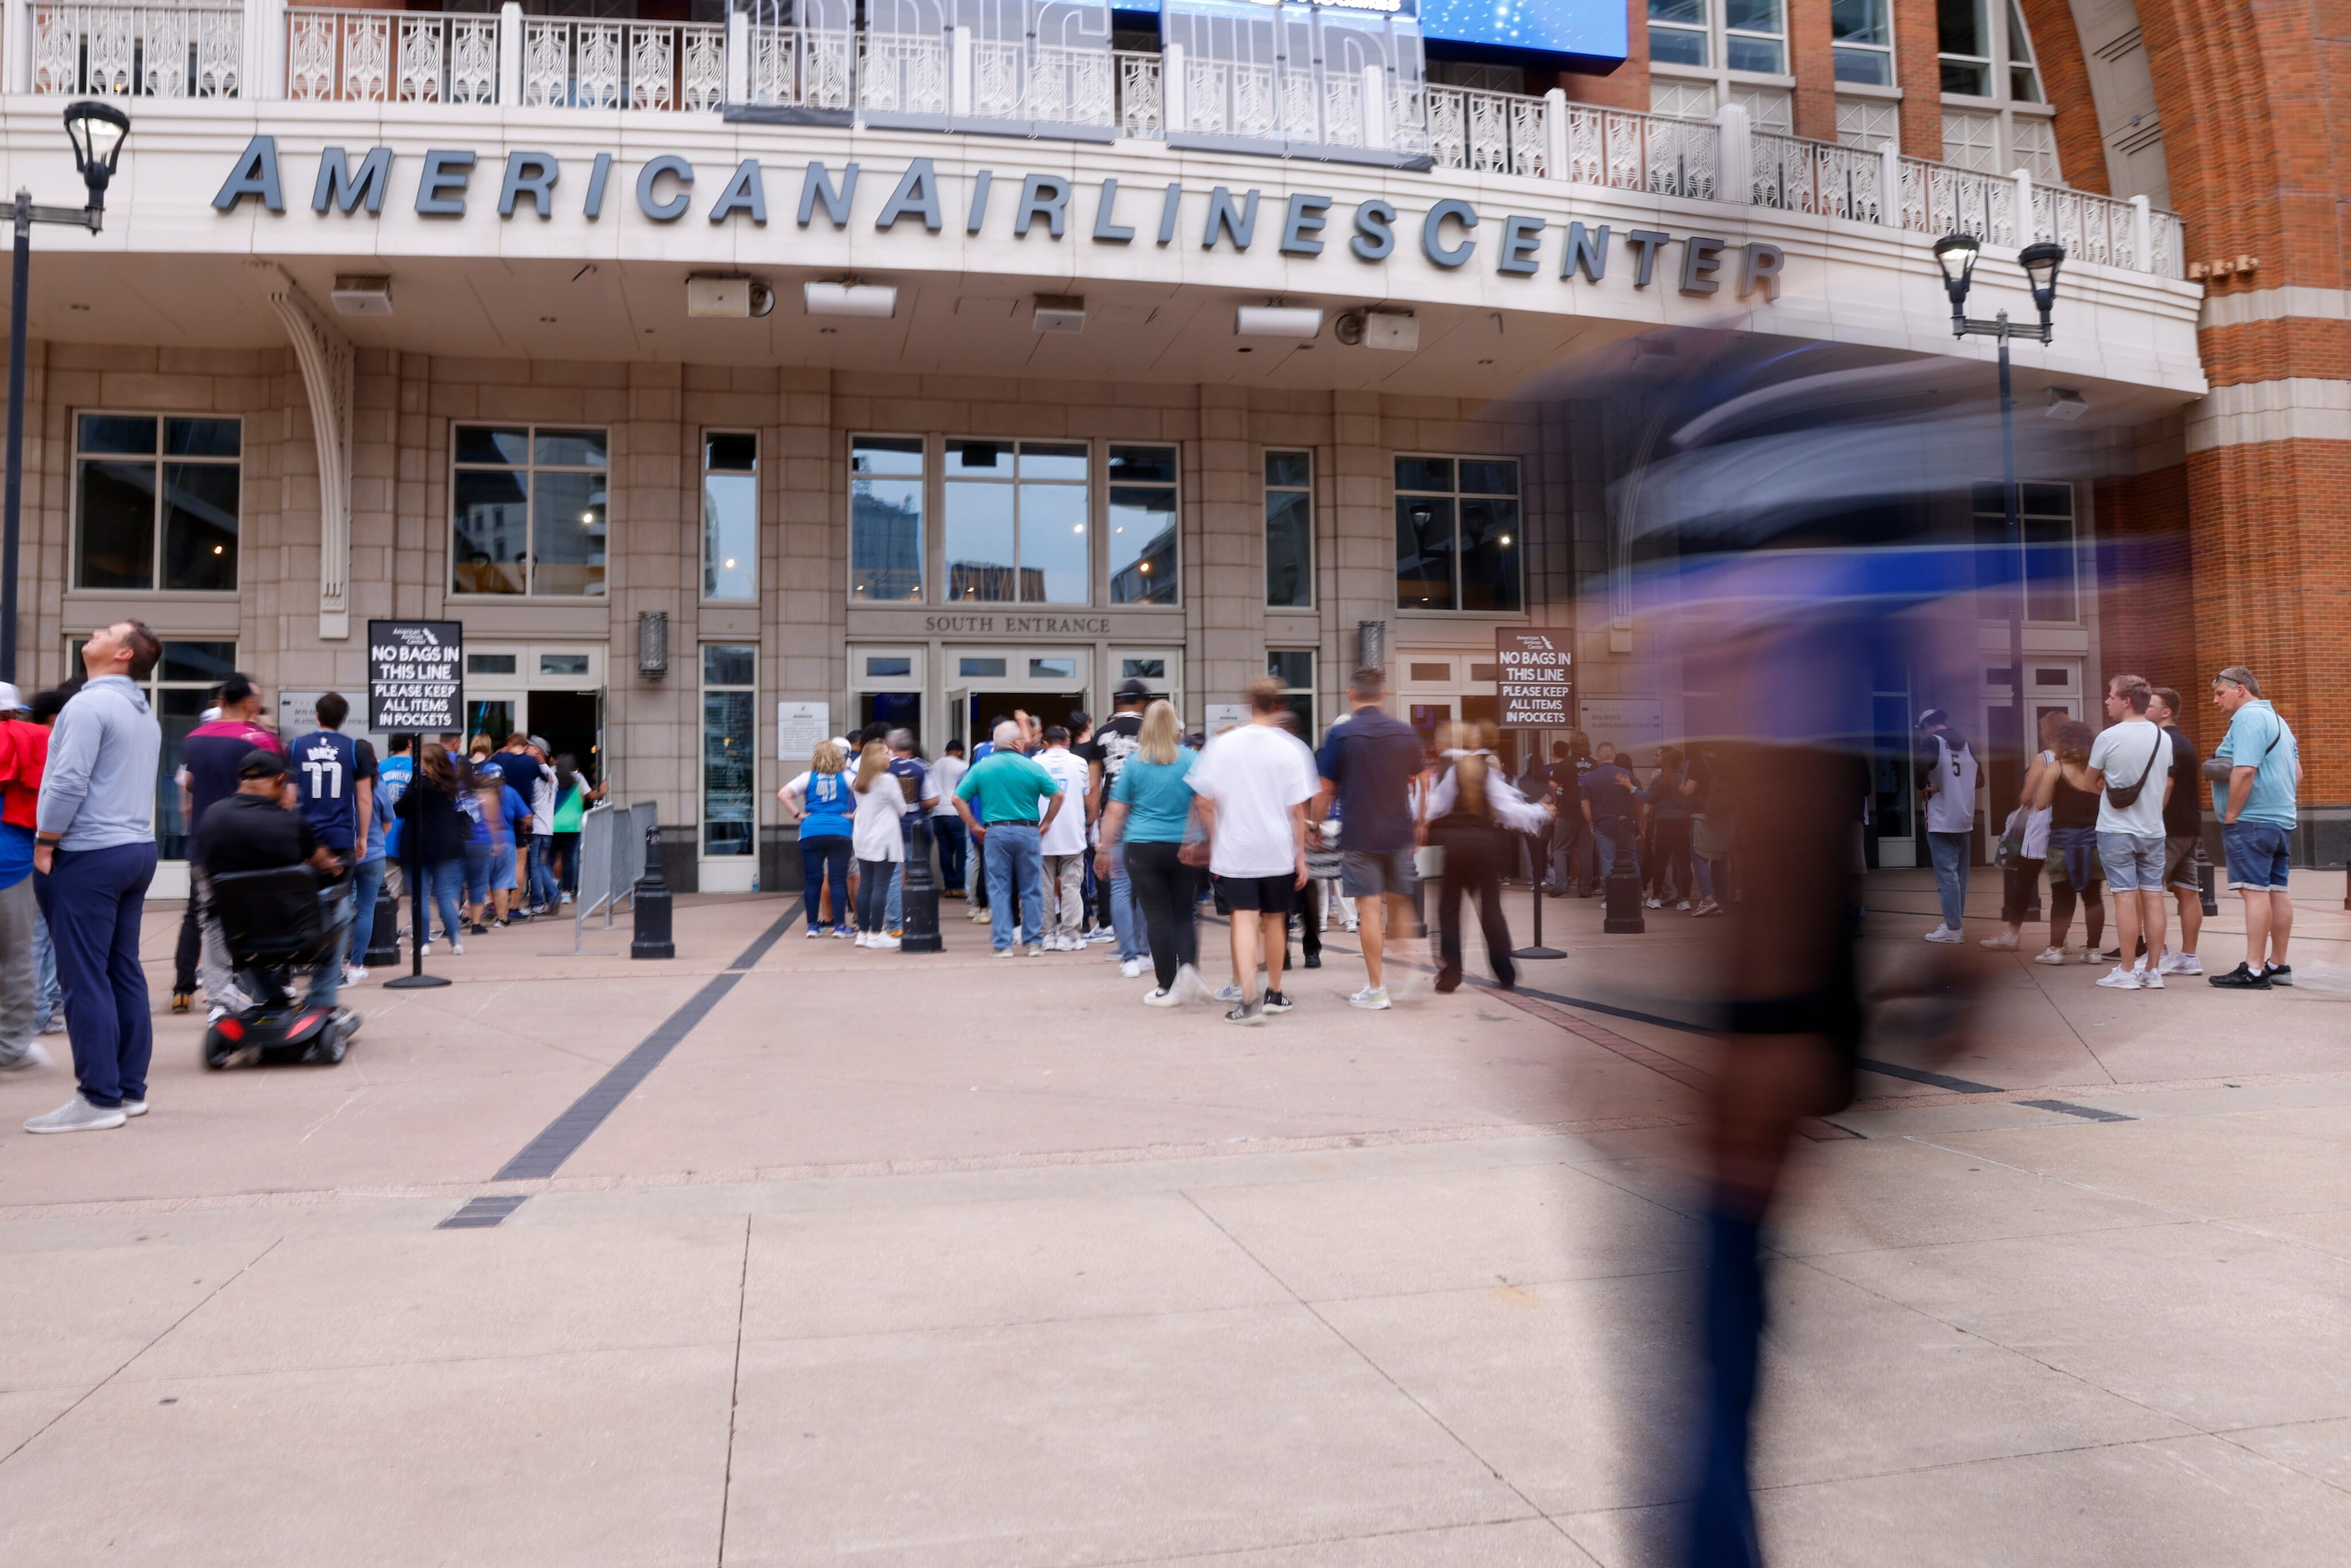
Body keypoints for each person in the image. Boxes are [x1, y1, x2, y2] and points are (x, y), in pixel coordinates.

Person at [24, 620, 164, 1134]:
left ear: (124, 653)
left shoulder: (87, 705)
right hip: (134, 848)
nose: (94, 631)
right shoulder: (141, 712)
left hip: (88, 853)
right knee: (120, 969)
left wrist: (46, 840)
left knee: (83, 978)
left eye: (107, 631)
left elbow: (67, 780)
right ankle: (127, 1091)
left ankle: (98, 1098)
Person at [1190, 676, 1318, 1024]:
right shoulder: (1293, 748)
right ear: (1279, 706)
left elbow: (1203, 799)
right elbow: (1298, 809)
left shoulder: (1222, 746)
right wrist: (1301, 856)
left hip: (1237, 847)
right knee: (1276, 920)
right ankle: (1274, 992)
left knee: (1243, 920)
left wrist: (1215, 842)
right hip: (1277, 847)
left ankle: (1247, 1000)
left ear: (1248, 703)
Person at [193, 747, 351, 1014]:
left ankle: (272, 998)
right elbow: (321, 861)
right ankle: (321, 998)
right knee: (344, 908)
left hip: (241, 935)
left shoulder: (212, 818)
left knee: (240, 919)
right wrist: (333, 865)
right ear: (279, 781)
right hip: (294, 932)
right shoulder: (292, 824)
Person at [1313, 666, 1425, 1010]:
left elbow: (1325, 788)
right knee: (1401, 901)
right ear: (1383, 694)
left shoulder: (1341, 735)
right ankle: (1408, 962)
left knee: (1370, 911)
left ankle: (1377, 987)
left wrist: (1314, 826)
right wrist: (1421, 823)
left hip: (1360, 834)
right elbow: (1423, 779)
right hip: (1398, 831)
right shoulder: (1404, 732)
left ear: (1351, 693)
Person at [174, 671, 281, 1014]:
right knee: (257, 922)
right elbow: (283, 794)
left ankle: (218, 1000)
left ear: (222, 702)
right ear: (250, 704)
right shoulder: (261, 740)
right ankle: (258, 994)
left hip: (206, 845)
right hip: (251, 846)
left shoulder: (194, 738)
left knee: (211, 921)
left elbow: (189, 783)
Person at [1424, 722, 1551, 991]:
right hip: (1484, 847)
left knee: (1449, 910)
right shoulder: (1488, 773)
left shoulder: (1452, 772)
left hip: (1455, 847)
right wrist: (1540, 811)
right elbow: (1509, 811)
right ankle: (1505, 973)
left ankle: (1451, 974)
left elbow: (1434, 808)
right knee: (1491, 910)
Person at [1097, 700, 1206, 1004]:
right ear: (1175, 726)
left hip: (1143, 845)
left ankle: (1166, 985)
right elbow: (1205, 804)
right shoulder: (1191, 759)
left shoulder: (1134, 763)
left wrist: (1104, 848)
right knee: (1184, 912)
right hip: (1184, 845)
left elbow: (1116, 809)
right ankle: (1188, 971)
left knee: (1157, 916)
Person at [2207, 665, 2301, 989]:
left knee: (2254, 891)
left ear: (2240, 689)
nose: (2216, 701)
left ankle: (2255, 969)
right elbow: (2297, 773)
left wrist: (2231, 815)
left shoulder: (2247, 718)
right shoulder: (2280, 722)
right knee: (2277, 890)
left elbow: (2244, 771)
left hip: (2252, 818)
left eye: (2220, 693)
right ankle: (2278, 963)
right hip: (2280, 818)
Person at [2085, 674, 2172, 989]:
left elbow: (2087, 781)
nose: (2107, 701)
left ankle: (2126, 970)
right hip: (2152, 829)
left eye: (2110, 696)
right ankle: (2153, 969)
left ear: (2126, 700)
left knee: (2124, 898)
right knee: (2153, 897)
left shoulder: (2108, 738)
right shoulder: (2164, 737)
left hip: (2116, 828)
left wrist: (2107, 788)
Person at [955, 720, 1064, 955]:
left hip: (995, 831)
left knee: (999, 889)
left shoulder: (982, 767)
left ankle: (1003, 944)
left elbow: (957, 799)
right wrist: (1046, 824)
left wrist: (973, 825)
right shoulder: (1031, 766)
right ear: (1016, 742)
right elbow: (1058, 795)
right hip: (1028, 831)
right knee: (1031, 888)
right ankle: (1034, 942)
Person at [287, 692, 373, 976]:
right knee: (339, 905)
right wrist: (362, 837)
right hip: (339, 836)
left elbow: (286, 797)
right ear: (342, 718)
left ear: (317, 715)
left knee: (300, 903)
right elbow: (364, 799)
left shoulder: (296, 746)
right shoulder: (353, 749)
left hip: (303, 839)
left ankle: (297, 964)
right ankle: (333, 971)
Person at [0, 682, 55, 1075]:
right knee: (17, 957)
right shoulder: (37, 740)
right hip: (14, 863)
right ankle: (10, 1045)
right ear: (15, 712)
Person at [1984, 710, 2061, 953]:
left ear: (2047, 732)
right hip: (2065, 828)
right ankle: (2060, 939)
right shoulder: (2079, 757)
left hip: (2040, 826)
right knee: (2061, 888)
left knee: (2025, 882)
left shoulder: (2044, 758)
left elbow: (2027, 796)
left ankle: (2012, 934)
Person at [1087, 679, 1151, 968]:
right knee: (1148, 885)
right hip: (1147, 812)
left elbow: (1094, 787)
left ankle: (1127, 954)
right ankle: (1147, 950)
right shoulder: (1151, 731)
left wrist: (1093, 824)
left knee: (1121, 886)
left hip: (1113, 811)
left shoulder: (1101, 735)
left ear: (1118, 702)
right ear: (1142, 702)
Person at [2147, 687, 2204, 976]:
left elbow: (2167, 785)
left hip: (2167, 828)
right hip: (2190, 826)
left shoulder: (2163, 741)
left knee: (2148, 891)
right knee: (2188, 891)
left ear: (2165, 712)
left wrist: (2151, 818)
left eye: (2151, 705)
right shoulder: (2184, 741)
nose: (2145, 708)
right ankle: (2189, 956)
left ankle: (2159, 954)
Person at [394, 741, 471, 955]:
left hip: (416, 844)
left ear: (428, 763)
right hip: (446, 844)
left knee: (420, 896)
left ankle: (422, 942)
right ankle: (455, 940)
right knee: (446, 894)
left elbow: (400, 809)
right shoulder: (450, 784)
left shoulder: (419, 783)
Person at [2043, 720, 2107, 964]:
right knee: (2093, 896)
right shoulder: (2097, 769)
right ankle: (2093, 950)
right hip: (2092, 839)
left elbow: (2040, 803)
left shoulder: (2056, 768)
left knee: (2062, 896)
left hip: (2061, 841)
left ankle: (2056, 950)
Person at [780, 740, 857, 938]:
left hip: (811, 830)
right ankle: (840, 927)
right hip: (840, 829)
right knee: (838, 880)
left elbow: (783, 794)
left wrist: (798, 815)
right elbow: (866, 790)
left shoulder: (807, 777)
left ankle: (812, 927)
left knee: (812, 881)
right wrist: (855, 813)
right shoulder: (846, 776)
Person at [1915, 708, 1978, 943]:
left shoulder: (1932, 742)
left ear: (1926, 726)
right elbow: (1979, 778)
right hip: (1965, 815)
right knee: (1960, 874)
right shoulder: (1966, 744)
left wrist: (1922, 787)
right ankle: (1955, 921)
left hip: (1941, 815)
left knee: (1946, 875)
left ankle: (1953, 928)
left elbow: (1921, 767)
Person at [1035, 725, 1092, 950]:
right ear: (1068, 741)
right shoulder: (1079, 763)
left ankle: (1046, 934)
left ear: (1045, 742)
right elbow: (1087, 794)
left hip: (1042, 832)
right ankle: (1069, 934)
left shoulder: (1035, 763)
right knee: (1071, 886)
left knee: (1043, 886)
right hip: (1072, 832)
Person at [847, 740, 905, 949]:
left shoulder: (859, 782)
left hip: (863, 838)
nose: (889, 757)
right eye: (886, 754)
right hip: (884, 839)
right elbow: (902, 809)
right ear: (876, 758)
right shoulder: (888, 781)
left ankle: (862, 933)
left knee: (866, 886)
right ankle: (876, 934)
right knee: (881, 887)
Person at [882, 729, 934, 938]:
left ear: (891, 747)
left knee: (894, 875)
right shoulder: (923, 767)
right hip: (917, 826)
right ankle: (919, 917)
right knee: (918, 875)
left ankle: (894, 922)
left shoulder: (885, 768)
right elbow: (933, 800)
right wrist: (915, 804)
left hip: (891, 827)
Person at [1642, 744, 1697, 911]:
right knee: (1684, 862)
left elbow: (1647, 797)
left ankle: (1656, 897)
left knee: (1661, 861)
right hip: (1683, 823)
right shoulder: (1685, 780)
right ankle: (1685, 899)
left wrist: (1630, 788)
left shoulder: (1661, 780)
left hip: (1665, 824)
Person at [1580, 741, 1639, 886]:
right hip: (1625, 825)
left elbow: (1585, 804)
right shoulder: (1627, 774)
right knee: (1632, 859)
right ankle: (1637, 894)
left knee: (1608, 862)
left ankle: (1609, 897)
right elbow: (1638, 800)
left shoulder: (1590, 777)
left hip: (1603, 825)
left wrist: (1591, 824)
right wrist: (1638, 823)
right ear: (1613, 756)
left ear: (1598, 758)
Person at [1688, 743, 1736, 918]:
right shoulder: (1728, 764)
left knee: (1699, 856)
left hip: (1703, 815)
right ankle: (1720, 902)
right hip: (1726, 816)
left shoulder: (1698, 764)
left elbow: (1688, 790)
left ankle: (1708, 899)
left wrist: (1681, 788)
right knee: (1721, 857)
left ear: (1701, 747)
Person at [1547, 736, 1595, 895]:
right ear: (1587, 744)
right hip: (1587, 813)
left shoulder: (1565, 764)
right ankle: (1584, 887)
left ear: (1571, 745)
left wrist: (1555, 801)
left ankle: (1561, 884)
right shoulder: (1594, 764)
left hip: (1566, 811)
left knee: (1560, 848)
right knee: (1585, 851)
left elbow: (1553, 785)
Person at [928, 739, 968, 897]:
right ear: (959, 752)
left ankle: (949, 885)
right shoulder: (962, 766)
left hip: (938, 813)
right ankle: (959, 885)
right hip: (956, 812)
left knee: (945, 851)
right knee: (962, 851)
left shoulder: (935, 765)